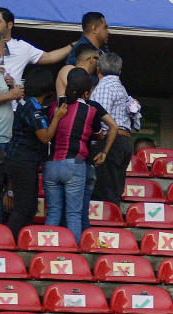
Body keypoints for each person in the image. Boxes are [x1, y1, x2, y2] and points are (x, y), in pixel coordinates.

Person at [45, 69, 117, 241]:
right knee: (74, 215)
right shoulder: (90, 110)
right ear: (87, 92)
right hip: (74, 165)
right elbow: (99, 135)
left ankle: (46, 250)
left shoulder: (54, 107)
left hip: (51, 165)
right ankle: (72, 256)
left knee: (53, 213)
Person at [4, 68, 67, 237]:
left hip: (21, 162)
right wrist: (57, 117)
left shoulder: (28, 103)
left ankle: (18, 243)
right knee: (23, 209)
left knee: (29, 208)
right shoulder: (33, 108)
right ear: (47, 89)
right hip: (22, 163)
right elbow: (45, 137)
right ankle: (6, 244)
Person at [89, 52, 138, 204]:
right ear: (119, 72)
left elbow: (100, 118)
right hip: (125, 141)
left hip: (110, 140)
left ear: (98, 70)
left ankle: (104, 227)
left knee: (102, 192)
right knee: (113, 191)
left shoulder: (103, 87)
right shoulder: (122, 89)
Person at [0, 7, 73, 88]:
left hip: (10, 101)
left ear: (9, 25)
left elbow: (50, 57)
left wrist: (73, 45)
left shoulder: (21, 47)